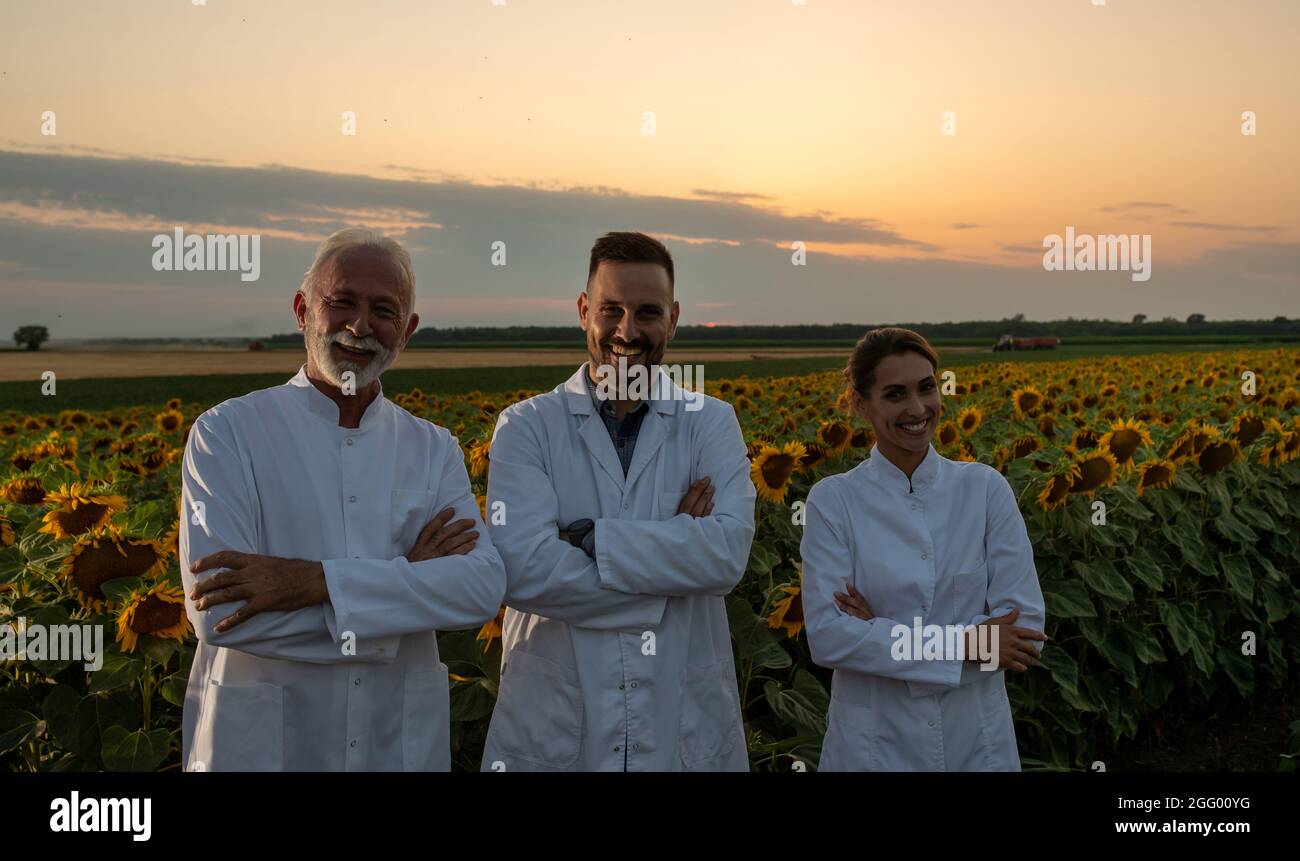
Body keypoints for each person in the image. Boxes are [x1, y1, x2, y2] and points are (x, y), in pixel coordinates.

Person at [179, 228, 506, 771]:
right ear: (303, 309)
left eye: (384, 309)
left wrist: (311, 583)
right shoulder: (227, 434)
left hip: (393, 744)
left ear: (408, 330)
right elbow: (223, 611)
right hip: (263, 747)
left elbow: (479, 590)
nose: (360, 326)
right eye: (341, 302)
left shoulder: (432, 447)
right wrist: (406, 588)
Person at [480, 231, 756, 771]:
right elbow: (521, 568)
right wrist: (673, 566)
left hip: (681, 721)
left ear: (673, 319)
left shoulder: (711, 422)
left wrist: (587, 540)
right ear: (585, 311)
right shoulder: (527, 427)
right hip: (556, 724)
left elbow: (726, 556)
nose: (627, 331)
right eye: (611, 309)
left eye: (647, 312)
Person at [800, 327, 1046, 771]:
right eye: (895, 394)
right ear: (861, 403)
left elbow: (1024, 635)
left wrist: (879, 634)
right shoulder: (834, 500)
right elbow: (829, 638)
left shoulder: (985, 489)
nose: (917, 409)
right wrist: (968, 641)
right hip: (873, 745)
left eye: (926, 388)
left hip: (976, 741)